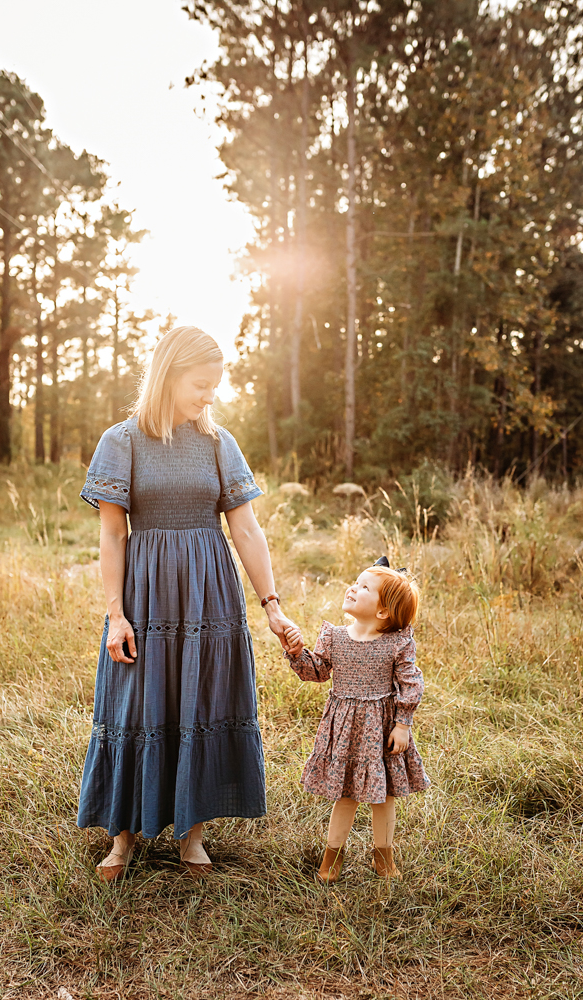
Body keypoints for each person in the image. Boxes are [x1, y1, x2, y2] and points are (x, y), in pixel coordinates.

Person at [77, 326, 301, 880]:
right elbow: (112, 535)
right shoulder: (121, 442)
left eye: (216, 386)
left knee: (200, 700)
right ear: (169, 374)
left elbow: (246, 529)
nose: (209, 396)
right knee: (136, 704)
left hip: (208, 594)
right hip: (144, 596)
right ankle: (122, 837)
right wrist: (115, 613)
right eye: (201, 384)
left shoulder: (219, 443)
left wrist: (272, 604)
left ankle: (192, 833)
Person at [284, 556, 430, 884]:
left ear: (382, 612)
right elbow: (317, 671)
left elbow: (411, 682)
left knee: (384, 796)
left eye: (365, 587)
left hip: (382, 727)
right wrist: (296, 654)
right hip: (345, 727)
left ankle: (384, 857)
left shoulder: (396, 642)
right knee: (345, 795)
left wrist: (403, 723)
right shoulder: (334, 636)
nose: (353, 587)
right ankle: (332, 857)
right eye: (356, 581)